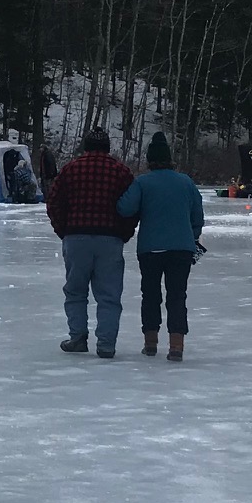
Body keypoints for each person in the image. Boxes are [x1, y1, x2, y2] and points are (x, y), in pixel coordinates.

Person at [44, 125, 137, 359]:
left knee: (75, 291)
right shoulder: (121, 172)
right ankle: (106, 344)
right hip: (110, 239)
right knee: (109, 295)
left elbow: (53, 202)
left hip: (76, 237)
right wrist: (123, 233)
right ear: (107, 147)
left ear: (86, 147)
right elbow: (133, 207)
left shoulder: (70, 169)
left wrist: (64, 230)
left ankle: (77, 337)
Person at [119, 131, 206, 361]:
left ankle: (150, 343)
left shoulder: (143, 183)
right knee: (177, 296)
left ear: (150, 160)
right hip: (182, 248)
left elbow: (125, 209)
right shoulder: (186, 182)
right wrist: (192, 236)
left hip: (151, 248)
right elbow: (197, 214)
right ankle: (176, 345)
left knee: (150, 295)